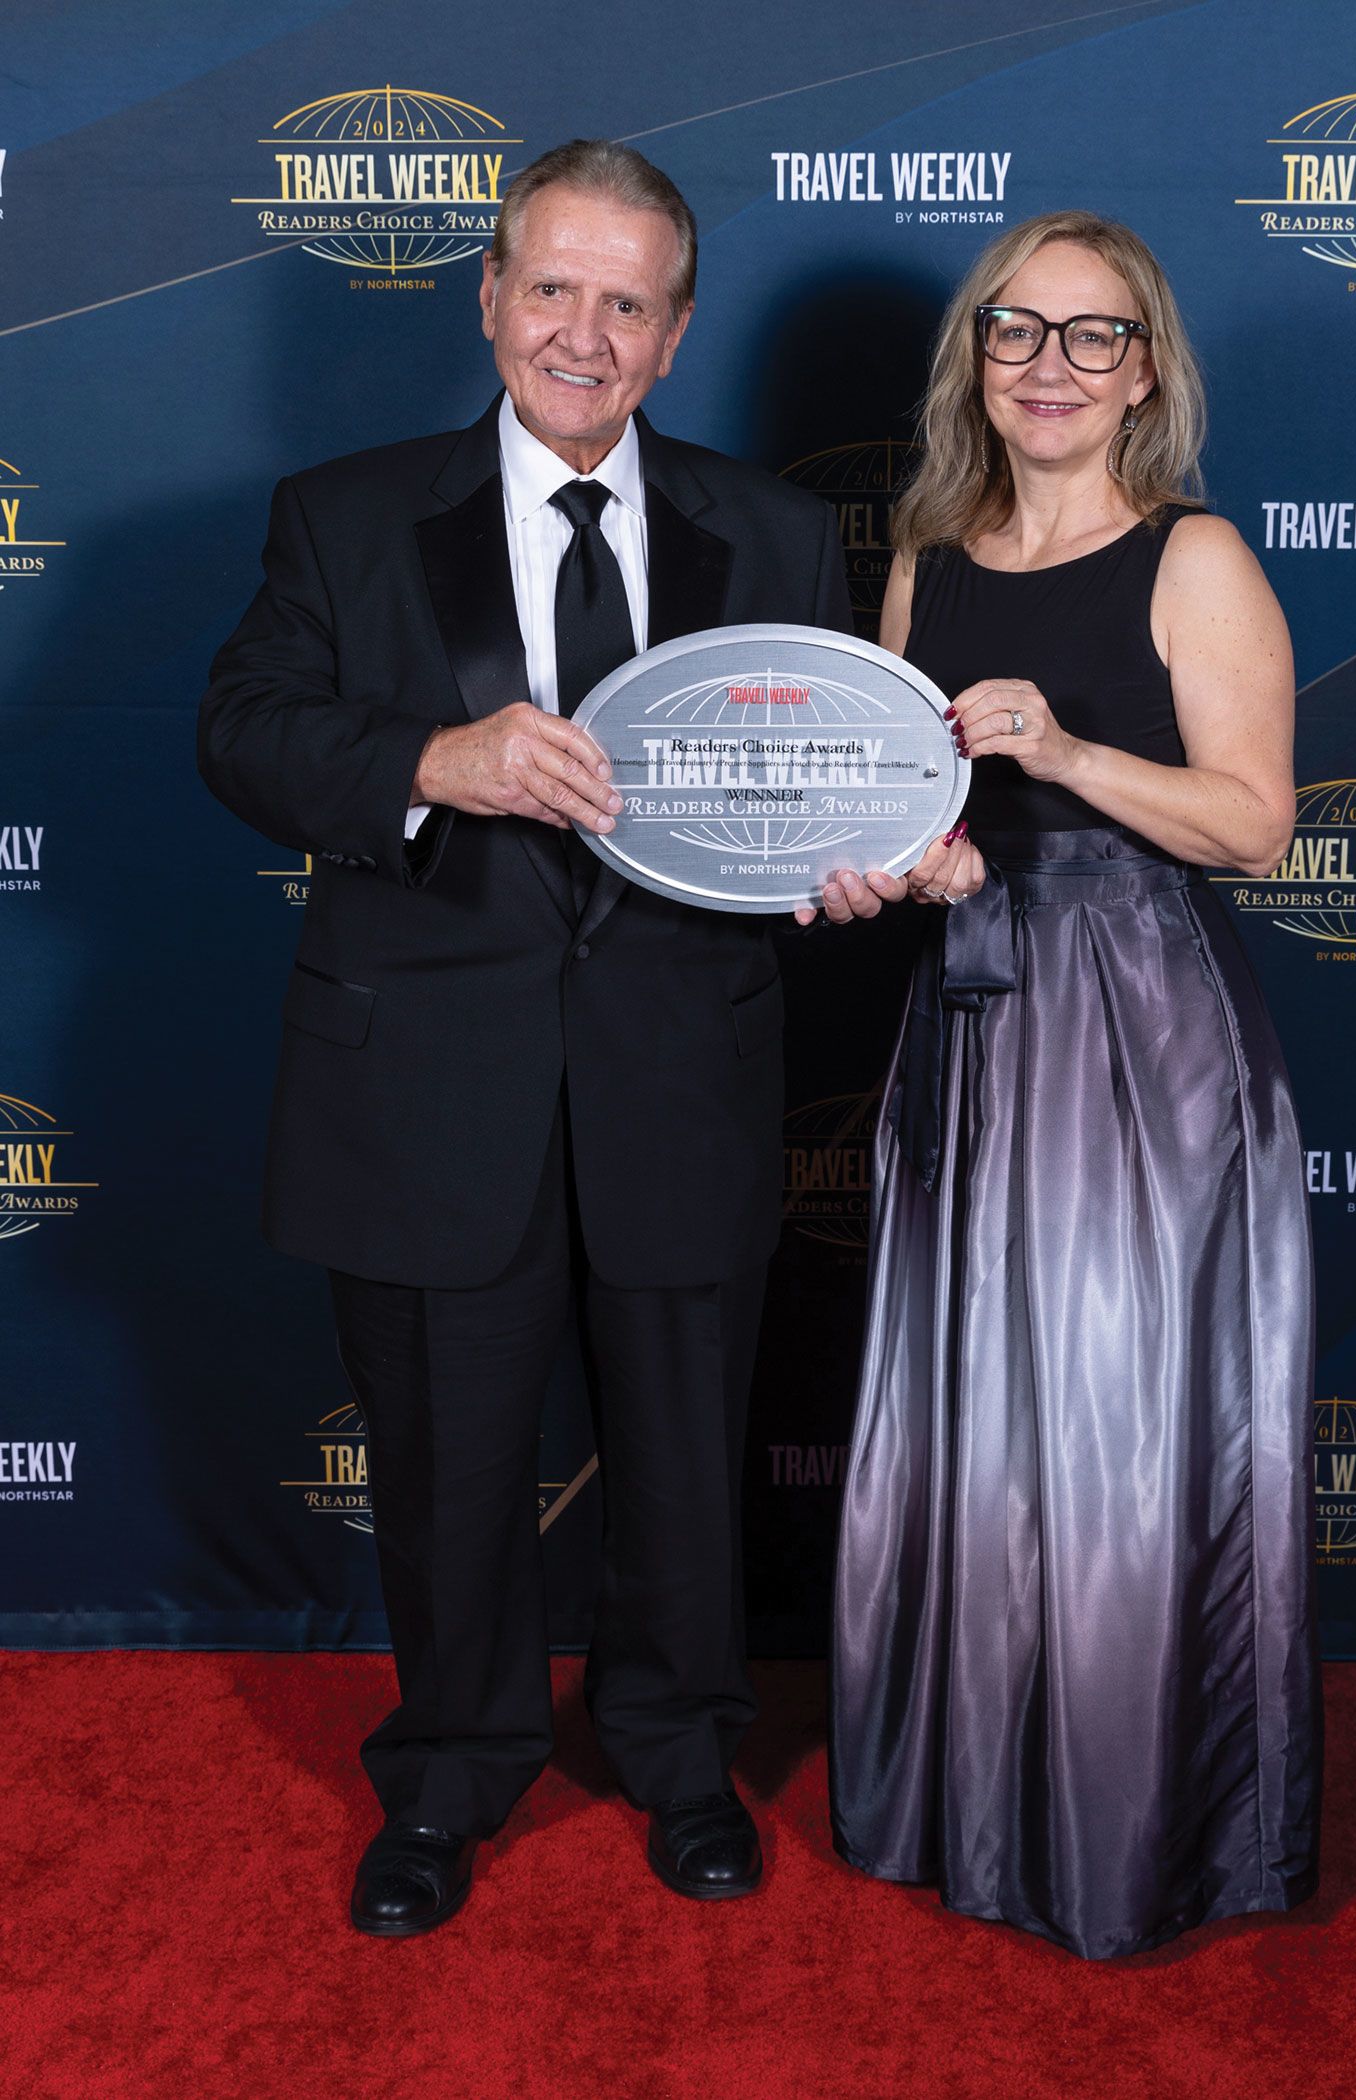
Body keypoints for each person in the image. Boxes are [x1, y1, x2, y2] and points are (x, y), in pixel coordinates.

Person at [199, 139, 851, 1935]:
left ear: (677, 333)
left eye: (626, 303)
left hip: (683, 1073)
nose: (583, 333)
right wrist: (434, 758)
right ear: (488, 297)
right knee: (447, 1467)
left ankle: (681, 1754)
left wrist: (862, 860)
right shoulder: (342, 513)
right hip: (426, 1089)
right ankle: (449, 1777)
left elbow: (813, 785)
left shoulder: (776, 532)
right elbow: (242, 730)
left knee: (687, 1463)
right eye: (551, 288)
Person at [823, 211, 1321, 1959]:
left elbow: (1255, 825)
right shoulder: (924, 561)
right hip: (973, 1015)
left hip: (1140, 1038)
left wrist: (1070, 749)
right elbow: (922, 821)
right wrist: (923, 867)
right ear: (976, 357)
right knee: (971, 1418)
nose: (1049, 364)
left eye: (1092, 333)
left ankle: (1134, 1835)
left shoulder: (1194, 556)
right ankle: (969, 1805)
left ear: (1145, 370)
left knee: (1120, 1433)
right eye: (1016, 329)